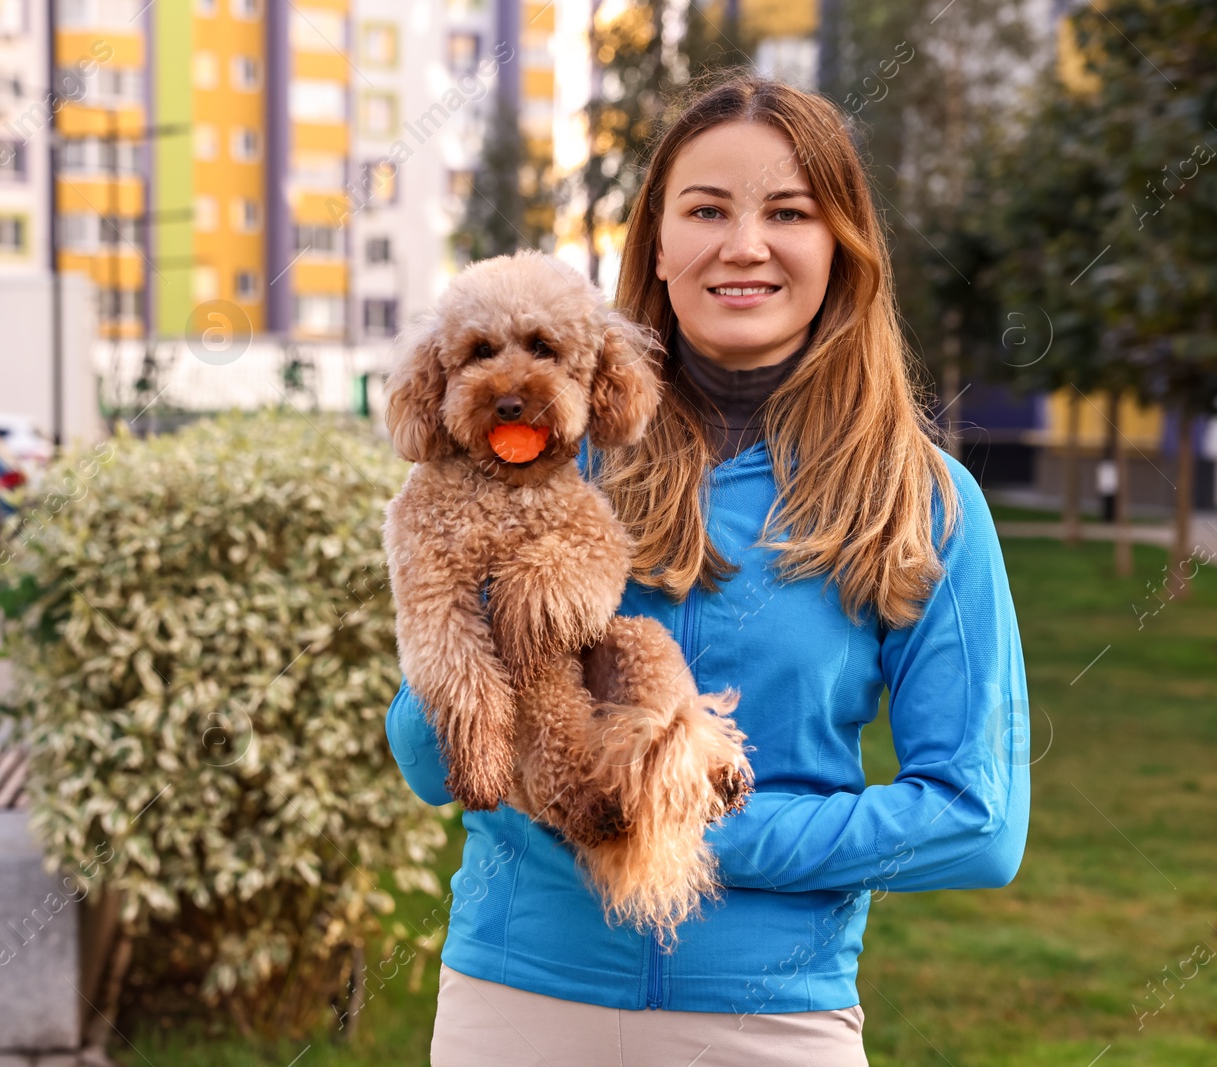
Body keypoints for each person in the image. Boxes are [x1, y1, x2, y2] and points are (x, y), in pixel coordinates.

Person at [384, 71, 1032, 1066]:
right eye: (705, 209)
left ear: (840, 248)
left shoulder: (921, 502)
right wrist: (462, 624)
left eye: (788, 212)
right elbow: (432, 764)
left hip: (768, 1021)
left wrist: (673, 825)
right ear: (655, 240)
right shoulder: (546, 454)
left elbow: (975, 821)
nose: (743, 244)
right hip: (517, 1001)